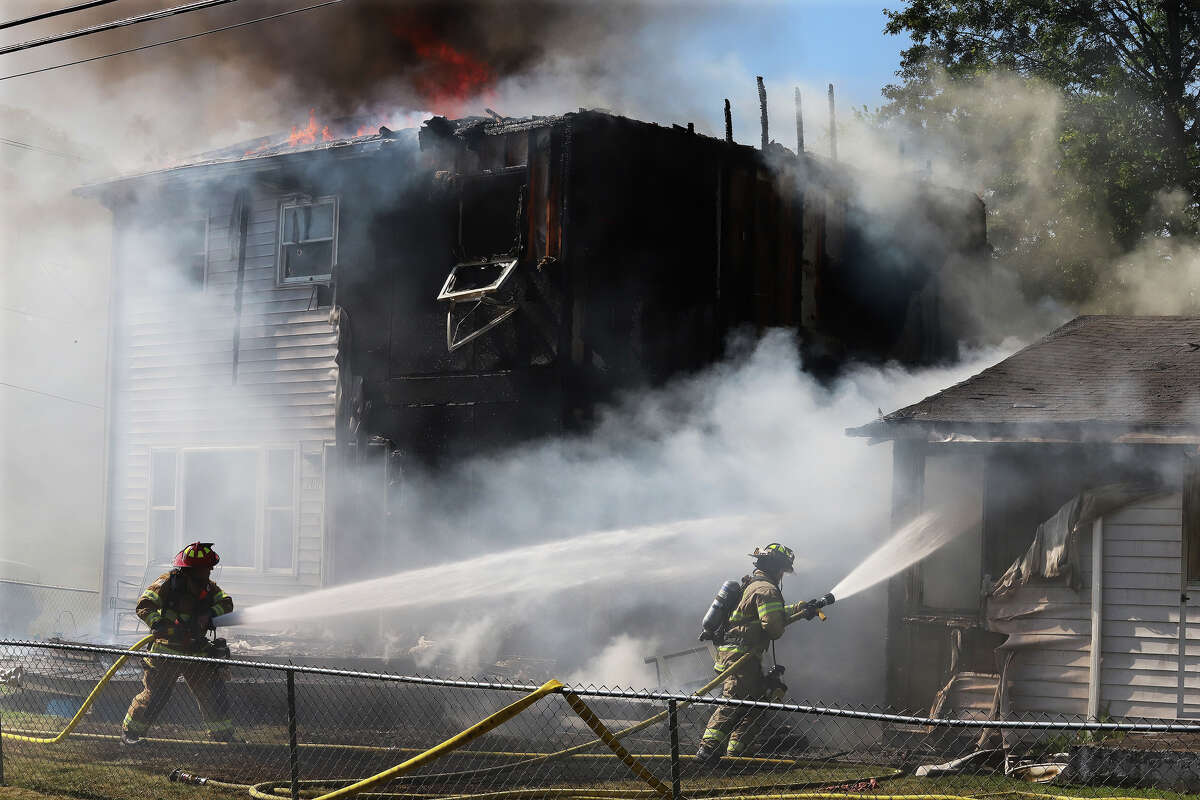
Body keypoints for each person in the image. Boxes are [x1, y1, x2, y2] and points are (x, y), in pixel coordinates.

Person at [695, 542, 815, 765]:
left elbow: (766, 616)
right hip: (741, 658)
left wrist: (800, 608)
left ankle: (737, 753)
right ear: (776, 568)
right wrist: (788, 619)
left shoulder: (755, 585)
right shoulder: (766, 589)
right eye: (782, 570)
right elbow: (773, 628)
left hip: (740, 655)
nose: (782, 575)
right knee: (734, 702)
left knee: (758, 702)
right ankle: (707, 751)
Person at [121, 542, 235, 745]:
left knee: (213, 694)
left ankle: (223, 738)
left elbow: (227, 603)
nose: (210, 570)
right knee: (156, 696)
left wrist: (208, 615)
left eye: (210, 567)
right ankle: (131, 736)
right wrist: (158, 623)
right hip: (166, 650)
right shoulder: (166, 583)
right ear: (191, 569)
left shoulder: (209, 588)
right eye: (206, 567)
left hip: (196, 650)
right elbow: (144, 605)